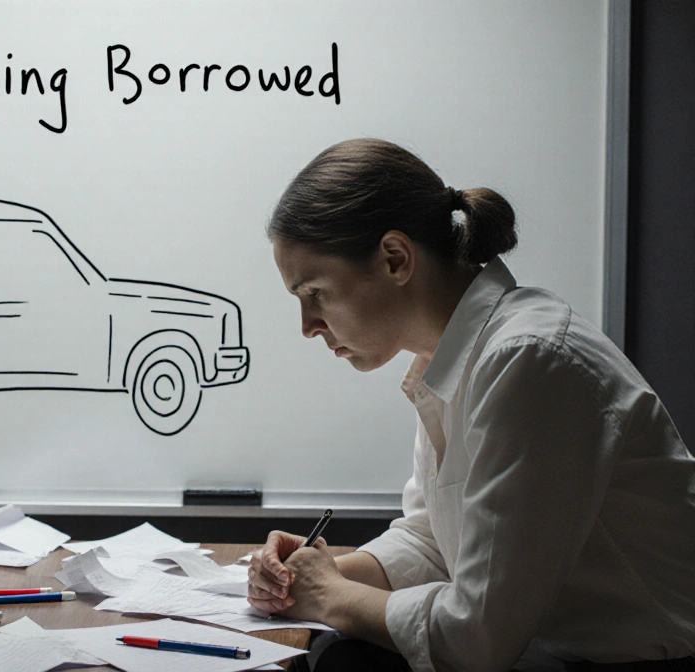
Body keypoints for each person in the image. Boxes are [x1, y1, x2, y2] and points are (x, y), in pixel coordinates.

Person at [248, 139, 695, 672]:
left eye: (315, 293)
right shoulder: (454, 356)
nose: (307, 327)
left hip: (634, 664)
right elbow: (433, 544)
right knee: (337, 654)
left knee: (339, 659)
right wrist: (315, 574)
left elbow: (475, 638)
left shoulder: (529, 361)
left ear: (395, 258)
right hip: (549, 653)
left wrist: (329, 595)